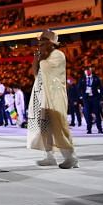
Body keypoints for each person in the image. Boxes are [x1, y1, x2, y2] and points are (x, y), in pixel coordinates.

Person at [27, 29, 79, 169]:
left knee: (58, 125)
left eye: (43, 42)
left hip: (54, 96)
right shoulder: (43, 55)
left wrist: (39, 57)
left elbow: (44, 67)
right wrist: (36, 57)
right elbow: (35, 73)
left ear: (51, 44)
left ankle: (70, 157)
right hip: (42, 95)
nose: (40, 45)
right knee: (45, 127)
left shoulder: (58, 55)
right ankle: (49, 156)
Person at [78, 65, 103, 134]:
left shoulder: (96, 78)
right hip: (86, 99)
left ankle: (100, 129)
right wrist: (81, 96)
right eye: (86, 71)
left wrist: (100, 96)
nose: (87, 72)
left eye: (88, 71)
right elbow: (79, 88)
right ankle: (89, 129)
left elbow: (101, 87)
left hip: (94, 98)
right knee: (87, 114)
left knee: (97, 113)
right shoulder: (82, 79)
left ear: (90, 71)